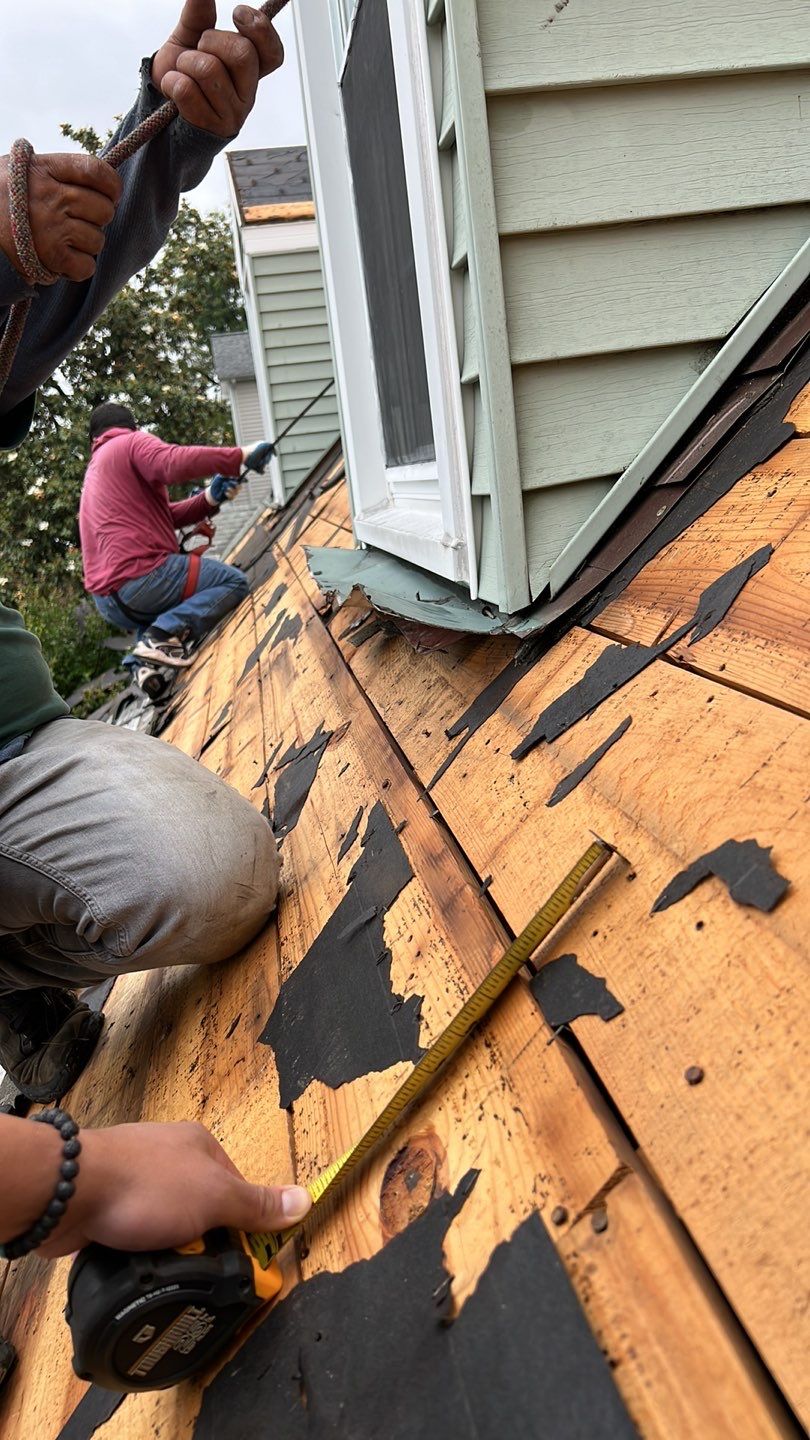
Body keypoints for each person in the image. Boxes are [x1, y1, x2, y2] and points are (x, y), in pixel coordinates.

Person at [0, 1, 312, 1260]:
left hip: (11, 745)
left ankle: (21, 983)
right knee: (232, 587)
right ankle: (162, 652)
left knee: (215, 875)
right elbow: (177, 464)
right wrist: (69, 1180)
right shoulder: (127, 441)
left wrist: (161, 137)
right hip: (130, 598)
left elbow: (48, 274)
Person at [80, 401, 274, 668]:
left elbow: (163, 518)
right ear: (133, 428)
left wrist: (209, 498)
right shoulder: (131, 443)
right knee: (232, 583)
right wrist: (238, 456)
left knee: (159, 612)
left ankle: (145, 669)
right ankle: (159, 637)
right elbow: (170, 462)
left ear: (94, 439)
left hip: (111, 603)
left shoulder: (96, 472)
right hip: (142, 580)